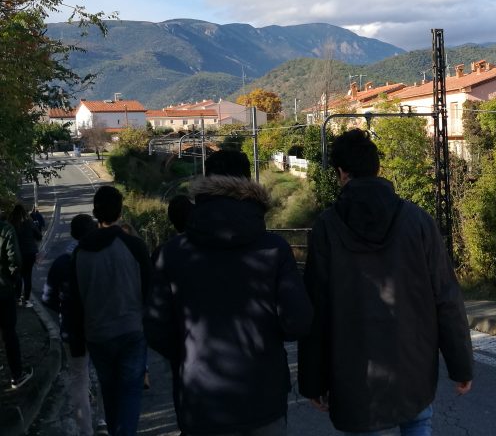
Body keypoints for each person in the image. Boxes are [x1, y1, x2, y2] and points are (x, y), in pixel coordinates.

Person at [298, 129, 474, 435]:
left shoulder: (327, 227)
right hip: (413, 365)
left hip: (354, 372)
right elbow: (445, 297)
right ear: (377, 168)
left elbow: (316, 308)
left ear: (341, 172)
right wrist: (461, 365)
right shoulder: (417, 220)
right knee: (418, 422)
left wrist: (313, 380)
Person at [145, 150, 313, 436]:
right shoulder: (274, 249)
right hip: (263, 397)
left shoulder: (172, 253)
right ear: (248, 184)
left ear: (205, 185)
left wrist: (190, 353)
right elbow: (298, 321)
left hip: (200, 399)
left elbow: (155, 328)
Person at [69, 186, 152, 436]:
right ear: (120, 210)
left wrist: (77, 343)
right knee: (129, 392)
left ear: (95, 212)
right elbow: (150, 290)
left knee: (109, 390)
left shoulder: (80, 253)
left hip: (97, 335)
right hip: (131, 330)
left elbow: (75, 302)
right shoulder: (134, 245)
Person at [42, 214, 103, 435]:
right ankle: (104, 421)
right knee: (105, 373)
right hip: (100, 326)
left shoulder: (62, 262)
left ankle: (86, 430)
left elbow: (47, 298)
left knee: (79, 379)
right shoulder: (101, 257)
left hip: (72, 330)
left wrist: (64, 310)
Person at [0, 214, 33, 389]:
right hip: (3, 289)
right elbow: (15, 261)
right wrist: (12, 281)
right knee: (9, 333)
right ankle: (17, 375)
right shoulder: (6, 229)